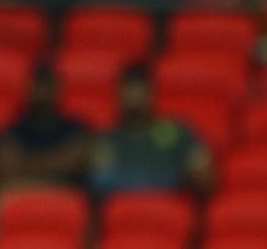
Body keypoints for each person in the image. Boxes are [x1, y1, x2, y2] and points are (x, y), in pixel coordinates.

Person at [89, 65, 214, 197]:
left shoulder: (176, 133)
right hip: (123, 213)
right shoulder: (107, 140)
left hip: (166, 210)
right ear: (118, 95)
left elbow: (205, 176)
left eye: (140, 90)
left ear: (152, 94)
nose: (134, 97)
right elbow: (98, 182)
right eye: (129, 91)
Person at [0, 66, 92, 188]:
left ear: (58, 91)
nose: (42, 95)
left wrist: (25, 164)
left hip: (64, 189)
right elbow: (7, 164)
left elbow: (74, 161)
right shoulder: (15, 129)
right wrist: (56, 162)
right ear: (28, 91)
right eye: (38, 88)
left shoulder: (75, 128)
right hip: (23, 188)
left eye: (47, 88)